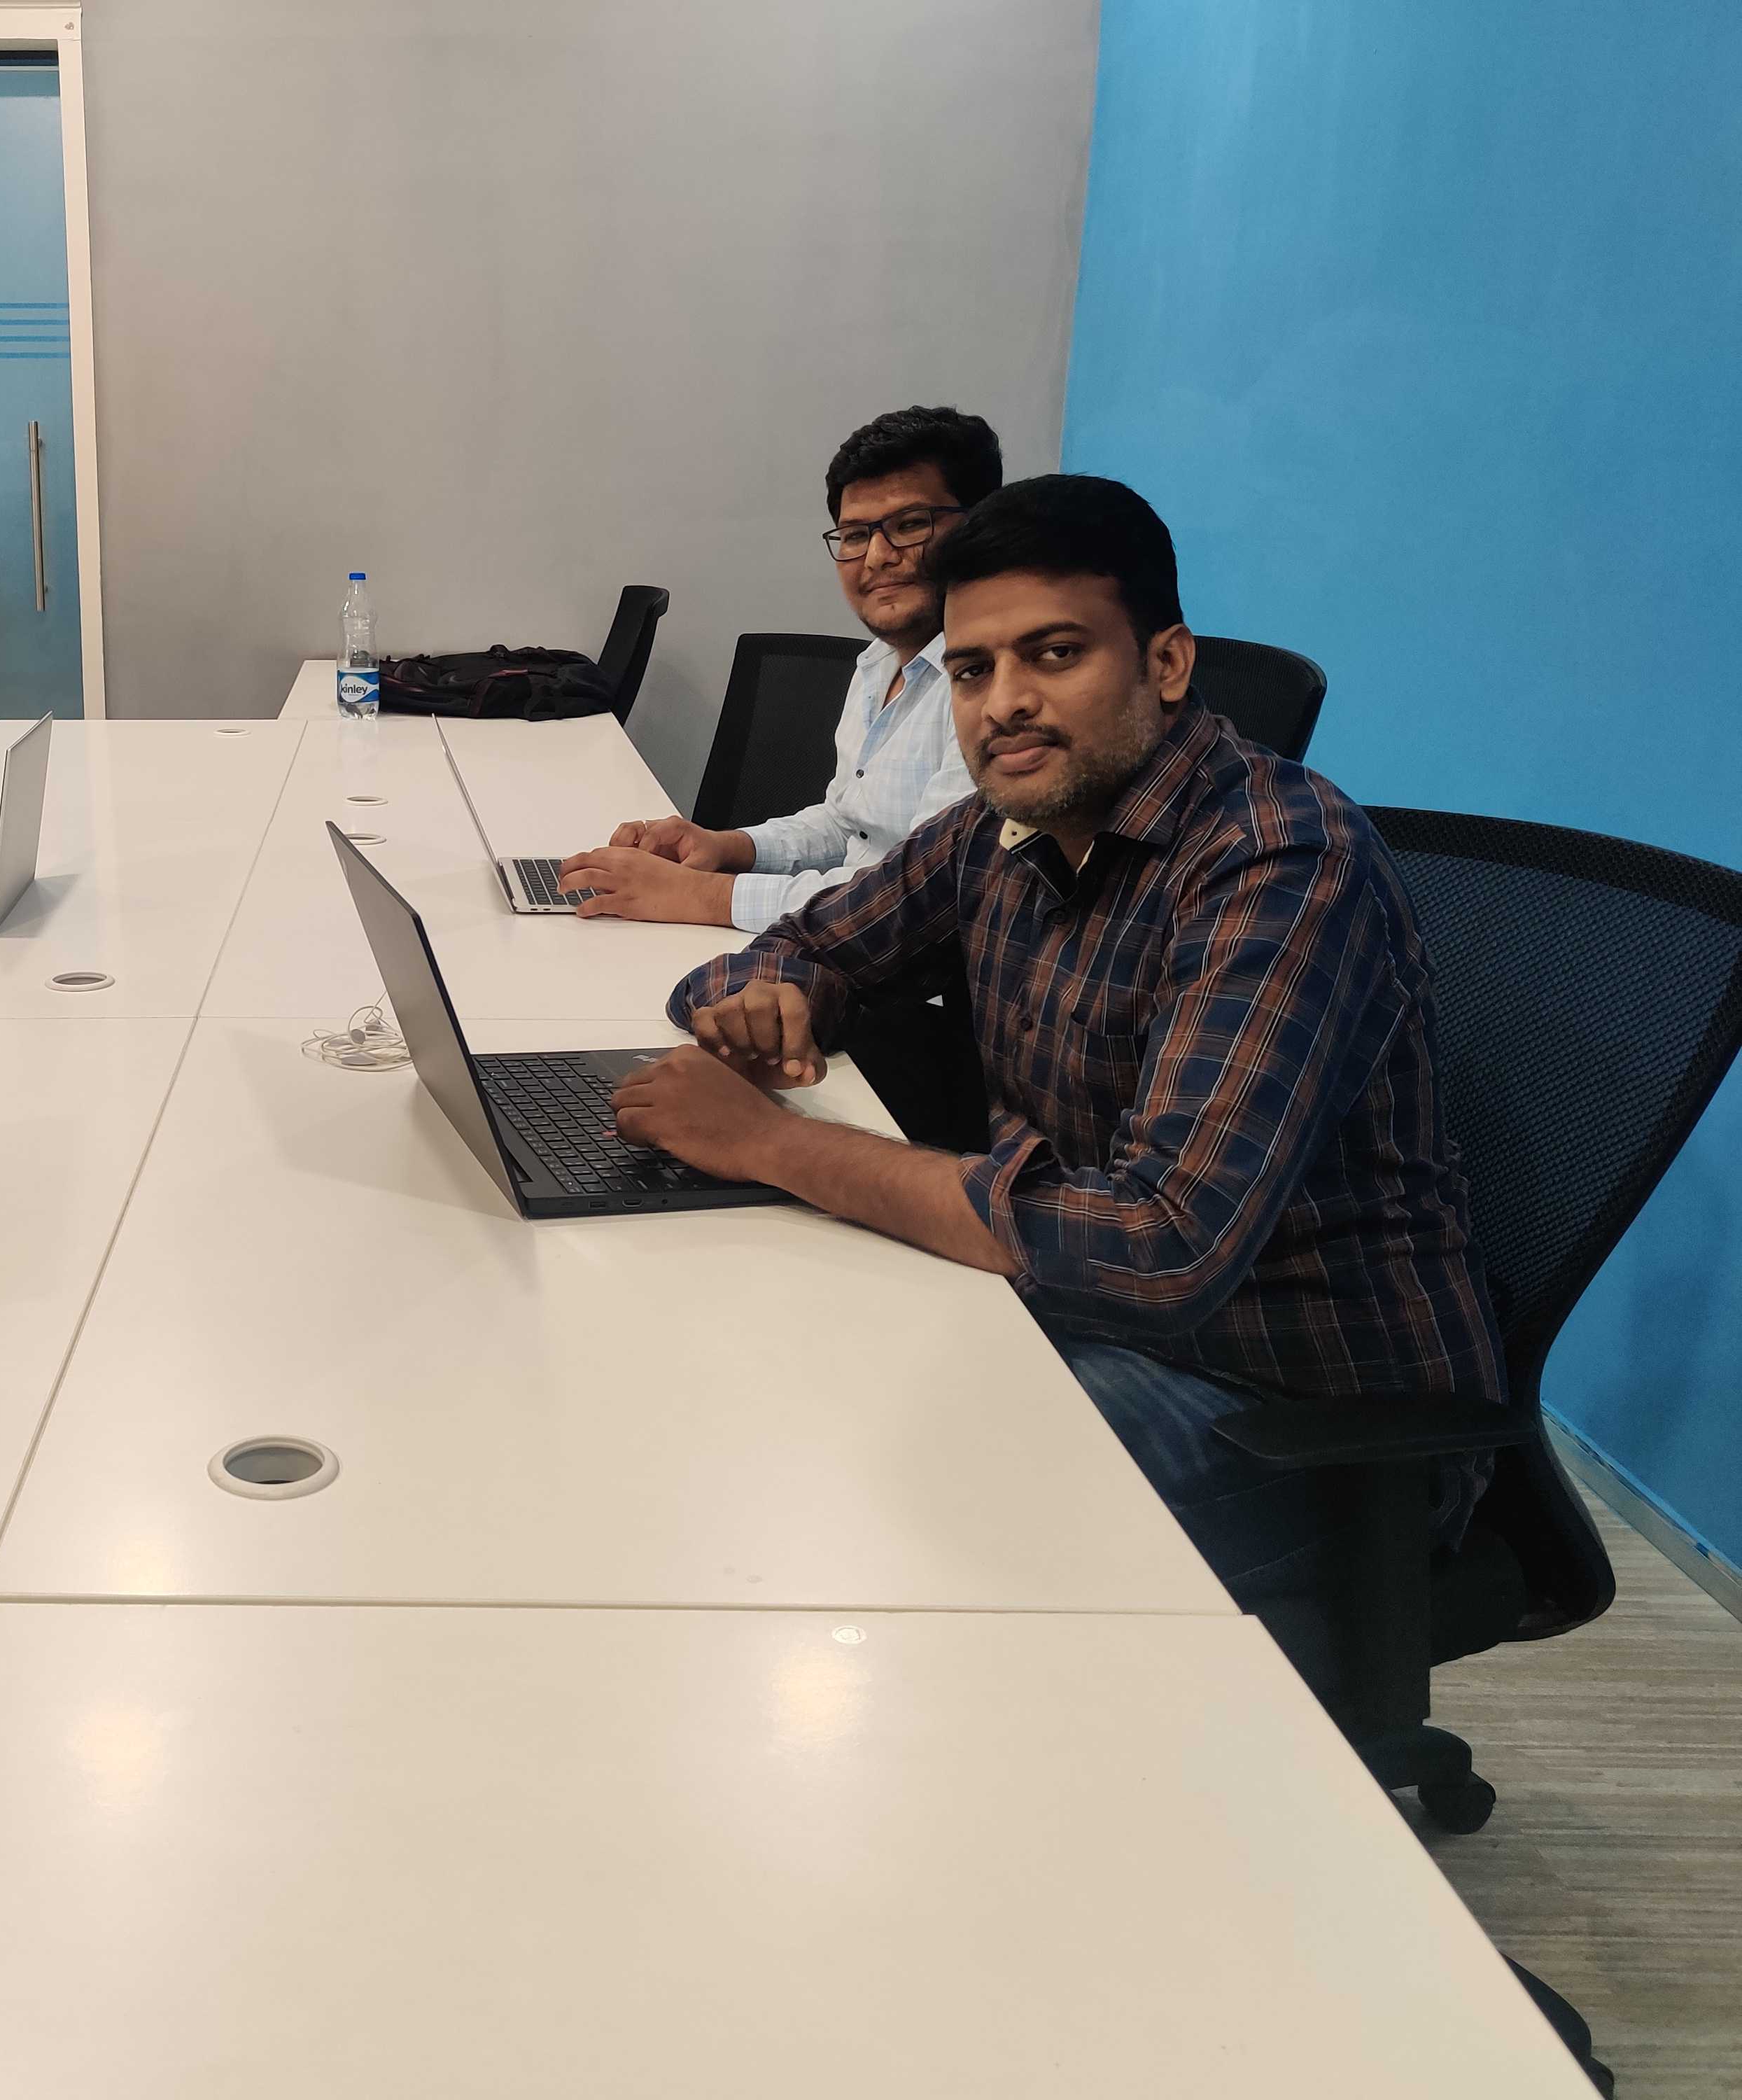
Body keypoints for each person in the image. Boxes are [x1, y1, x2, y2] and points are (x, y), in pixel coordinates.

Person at [605, 475, 1502, 1597]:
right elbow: (807, 947)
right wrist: (763, 1000)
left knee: (866, 1509)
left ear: (1166, 664)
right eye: (975, 670)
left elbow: (1158, 1248)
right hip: (1061, 1312)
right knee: (740, 1376)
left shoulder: (1276, 865)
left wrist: (771, 1143)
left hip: (1303, 1412)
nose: (1004, 703)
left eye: (1057, 654)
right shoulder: (1003, 826)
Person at [556, 405, 999, 930]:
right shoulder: (879, 663)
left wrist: (701, 896)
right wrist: (729, 847)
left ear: (981, 527)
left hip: (907, 980)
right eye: (855, 535)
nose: (877, 556)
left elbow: (922, 896)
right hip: (834, 949)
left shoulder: (992, 686)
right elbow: (847, 826)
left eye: (909, 525)